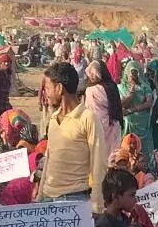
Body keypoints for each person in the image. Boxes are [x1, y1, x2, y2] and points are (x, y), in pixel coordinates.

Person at [39, 61, 107, 208]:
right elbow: (49, 159)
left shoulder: (88, 118)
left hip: (74, 200)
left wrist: (96, 205)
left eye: (47, 89)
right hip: (48, 198)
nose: (45, 94)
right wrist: (40, 196)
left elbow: (99, 164)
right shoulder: (53, 119)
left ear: (59, 88)